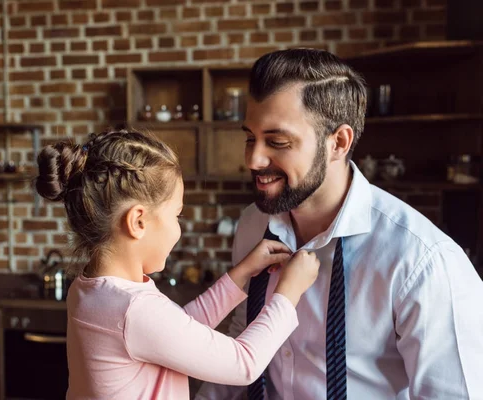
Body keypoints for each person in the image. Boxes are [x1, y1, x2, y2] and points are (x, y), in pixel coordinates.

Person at [196, 48, 483, 400]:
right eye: (249, 138)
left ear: (339, 142)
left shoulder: (422, 262)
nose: (253, 159)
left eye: (277, 142)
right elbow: (243, 337)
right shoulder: (252, 226)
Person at [34, 129, 321, 400]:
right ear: (138, 221)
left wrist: (242, 273)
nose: (178, 229)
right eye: (176, 215)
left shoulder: (90, 289)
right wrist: (288, 294)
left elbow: (176, 329)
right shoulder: (133, 310)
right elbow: (244, 362)